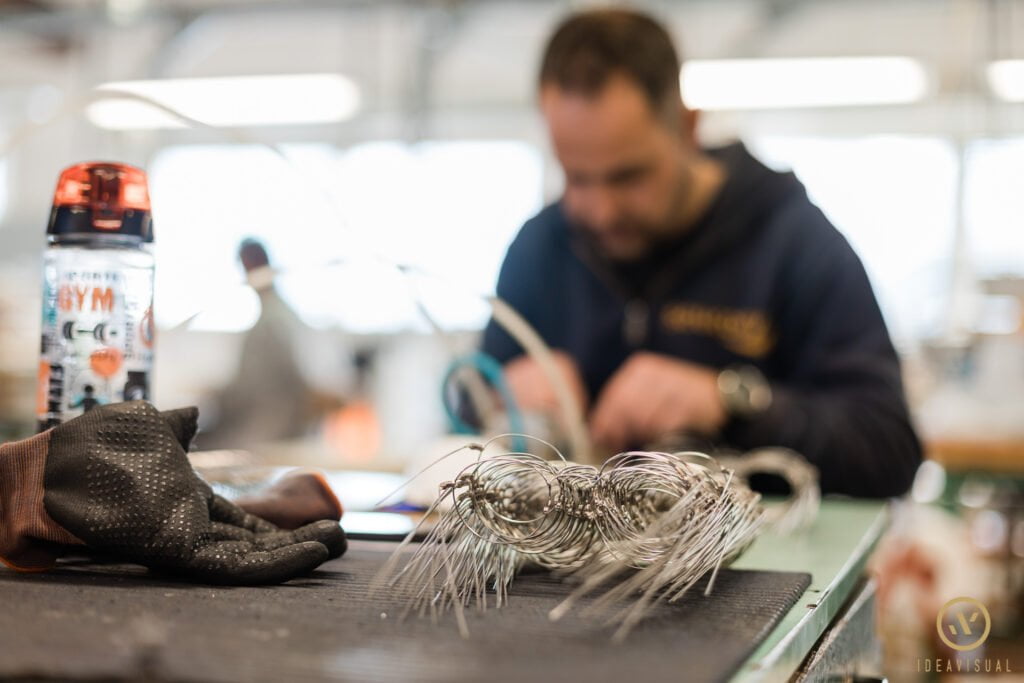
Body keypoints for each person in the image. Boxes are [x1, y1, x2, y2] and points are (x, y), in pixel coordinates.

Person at [481, 8, 922, 498]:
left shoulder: (792, 241)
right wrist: (500, 402)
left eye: (628, 176)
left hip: (752, 566)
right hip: (565, 566)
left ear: (688, 127)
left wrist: (731, 402)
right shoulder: (540, 249)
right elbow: (468, 415)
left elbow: (889, 449)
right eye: (576, 177)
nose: (602, 212)